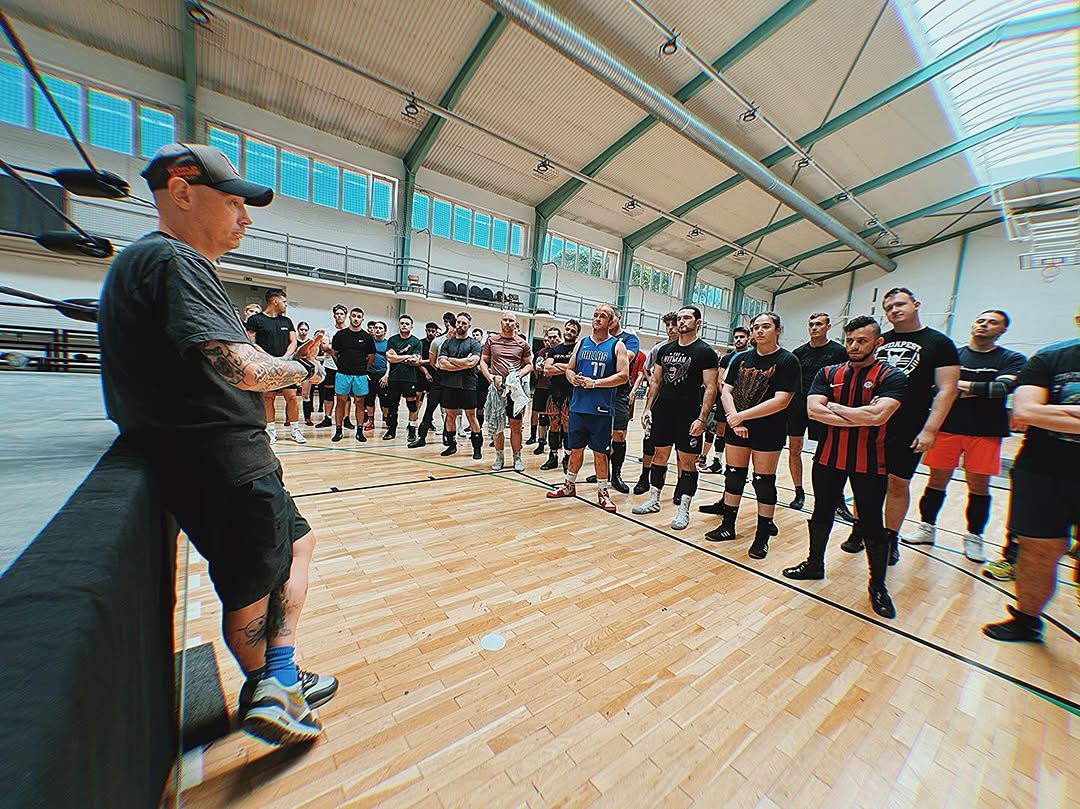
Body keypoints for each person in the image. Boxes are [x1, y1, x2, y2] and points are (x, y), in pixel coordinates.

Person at [98, 143, 336, 745]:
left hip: (215, 455)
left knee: (297, 545)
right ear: (181, 193)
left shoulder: (141, 262)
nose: (245, 218)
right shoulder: (178, 260)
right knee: (254, 582)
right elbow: (243, 369)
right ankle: (270, 688)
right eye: (233, 203)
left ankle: (280, 671)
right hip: (222, 457)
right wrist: (303, 370)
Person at [782, 315, 907, 619]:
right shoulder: (828, 372)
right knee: (821, 512)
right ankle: (815, 563)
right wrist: (857, 414)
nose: (853, 345)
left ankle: (877, 586)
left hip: (870, 461)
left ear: (878, 343)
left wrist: (835, 408)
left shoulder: (892, 376)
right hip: (828, 457)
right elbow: (814, 411)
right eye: (850, 340)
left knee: (872, 523)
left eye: (861, 341)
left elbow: (878, 417)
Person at [842, 288, 960, 565]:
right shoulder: (878, 341)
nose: (894, 310)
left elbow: (947, 389)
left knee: (897, 483)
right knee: (863, 482)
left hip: (909, 426)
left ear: (916, 304)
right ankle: (860, 529)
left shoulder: (939, 343)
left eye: (900, 304)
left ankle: (889, 537)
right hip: (871, 424)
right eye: (889, 307)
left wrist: (930, 429)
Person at [982, 331, 1080, 642]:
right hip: (1043, 470)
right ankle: (1027, 619)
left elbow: (1039, 412)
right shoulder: (1051, 358)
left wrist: (1053, 414)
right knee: (1037, 549)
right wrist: (1041, 414)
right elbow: (1025, 412)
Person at [907, 310, 1026, 562]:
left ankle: (974, 536)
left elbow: (1000, 388)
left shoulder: (1011, 358)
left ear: (1003, 330)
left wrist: (957, 386)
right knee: (936, 482)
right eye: (980, 320)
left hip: (985, 431)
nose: (984, 325)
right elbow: (935, 388)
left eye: (993, 322)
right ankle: (926, 527)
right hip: (947, 427)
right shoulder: (953, 355)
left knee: (979, 487)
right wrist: (971, 389)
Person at [704, 312, 799, 558]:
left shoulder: (788, 361)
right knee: (733, 476)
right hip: (738, 427)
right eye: (756, 327)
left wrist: (742, 417)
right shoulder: (741, 358)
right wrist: (735, 418)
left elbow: (781, 401)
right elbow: (726, 390)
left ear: (778, 330)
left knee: (763, 482)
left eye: (765, 327)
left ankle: (762, 537)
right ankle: (727, 526)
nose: (759, 331)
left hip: (768, 431)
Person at [633, 306, 718, 530]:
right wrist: (648, 409)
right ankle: (654, 500)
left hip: (688, 413)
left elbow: (710, 387)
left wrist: (702, 418)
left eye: (687, 318)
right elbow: (656, 381)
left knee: (688, 463)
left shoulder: (705, 352)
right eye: (679, 318)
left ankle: (684, 510)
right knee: (659, 456)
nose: (681, 322)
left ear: (698, 322)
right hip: (663, 411)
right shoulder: (665, 350)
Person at [547, 305, 630, 511]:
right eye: (595, 315)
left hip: (601, 408)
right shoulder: (582, 343)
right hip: (578, 406)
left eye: (603, 316)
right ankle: (569, 485)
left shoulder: (616, 345)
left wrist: (595, 383)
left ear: (611, 322)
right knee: (575, 449)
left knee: (600, 452)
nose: (597, 319)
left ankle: (602, 492)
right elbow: (569, 369)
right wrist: (572, 377)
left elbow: (623, 376)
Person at [787, 313, 849, 512]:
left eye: (819, 324)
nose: (814, 328)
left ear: (828, 326)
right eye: (811, 324)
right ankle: (798, 492)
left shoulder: (839, 352)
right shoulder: (798, 352)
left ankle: (836, 499)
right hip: (797, 406)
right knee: (794, 448)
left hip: (824, 408)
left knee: (829, 453)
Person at [245, 288, 304, 444]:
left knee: (291, 397)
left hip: (286, 365)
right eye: (284, 301)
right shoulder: (255, 320)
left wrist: (284, 358)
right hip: (266, 365)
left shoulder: (286, 321)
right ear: (275, 301)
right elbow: (252, 342)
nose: (285, 305)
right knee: (268, 398)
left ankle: (295, 430)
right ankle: (271, 431)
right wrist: (269, 359)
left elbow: (293, 342)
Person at [480, 312, 533, 472]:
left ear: (515, 324)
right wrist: (490, 377)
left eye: (511, 321)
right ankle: (499, 457)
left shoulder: (522, 343)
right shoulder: (491, 340)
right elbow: (483, 360)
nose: (508, 323)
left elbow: (530, 364)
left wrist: (519, 375)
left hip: (514, 390)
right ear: (501, 322)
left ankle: (517, 457)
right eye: (505, 320)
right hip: (496, 389)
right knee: (497, 426)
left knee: (516, 426)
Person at [633, 313, 679, 495]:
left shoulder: (691, 348)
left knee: (677, 447)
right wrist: (652, 381)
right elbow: (645, 367)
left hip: (680, 401)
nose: (670, 328)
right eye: (667, 324)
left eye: (673, 324)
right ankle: (644, 478)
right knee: (649, 441)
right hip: (658, 401)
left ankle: (680, 486)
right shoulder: (658, 348)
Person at [436, 312, 485, 459]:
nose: (460, 325)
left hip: (468, 385)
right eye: (458, 322)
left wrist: (452, 360)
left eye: (464, 323)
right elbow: (441, 364)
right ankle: (451, 446)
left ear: (469, 325)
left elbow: (472, 363)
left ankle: (477, 449)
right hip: (449, 385)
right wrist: (463, 363)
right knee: (450, 416)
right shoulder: (447, 343)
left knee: (471, 416)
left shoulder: (474, 344)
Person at [409, 312, 457, 448]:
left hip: (453, 381)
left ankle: (447, 436)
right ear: (448, 326)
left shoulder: (460, 342)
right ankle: (421, 437)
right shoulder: (438, 341)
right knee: (430, 408)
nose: (455, 329)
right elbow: (432, 361)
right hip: (439, 379)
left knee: (449, 411)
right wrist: (442, 370)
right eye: (452, 325)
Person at [540, 319, 580, 473]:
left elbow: (575, 370)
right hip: (554, 392)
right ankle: (553, 456)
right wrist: (567, 368)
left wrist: (559, 367)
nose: (569, 332)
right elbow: (547, 370)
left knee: (567, 426)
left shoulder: (578, 350)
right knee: (554, 425)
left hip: (570, 393)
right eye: (568, 329)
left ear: (577, 334)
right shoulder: (555, 349)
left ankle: (567, 458)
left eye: (573, 331)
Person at [330, 307, 375, 443]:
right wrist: (341, 366)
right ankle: (338, 430)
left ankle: (360, 431)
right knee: (341, 402)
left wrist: (363, 369)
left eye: (359, 316)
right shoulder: (341, 335)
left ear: (362, 319)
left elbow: (371, 357)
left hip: (360, 375)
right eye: (354, 316)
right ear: (350, 317)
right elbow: (334, 352)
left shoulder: (367, 337)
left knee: (360, 403)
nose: (356, 318)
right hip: (343, 374)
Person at [384, 315, 423, 441]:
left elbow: (416, 360)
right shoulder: (392, 340)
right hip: (394, 378)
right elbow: (390, 358)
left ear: (411, 326)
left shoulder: (416, 342)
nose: (404, 325)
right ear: (399, 325)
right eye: (402, 323)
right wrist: (407, 356)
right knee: (392, 406)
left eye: (407, 323)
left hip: (410, 378)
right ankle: (391, 430)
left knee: (412, 405)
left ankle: (412, 431)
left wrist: (398, 357)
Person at [313, 304, 348, 429]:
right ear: (334, 315)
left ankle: (346, 419)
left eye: (341, 314)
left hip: (346, 367)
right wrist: (338, 350)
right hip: (330, 366)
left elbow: (348, 349)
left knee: (345, 394)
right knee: (328, 393)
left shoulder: (349, 331)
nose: (339, 316)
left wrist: (333, 348)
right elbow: (324, 346)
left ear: (345, 316)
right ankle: (327, 418)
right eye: (337, 313)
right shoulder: (328, 331)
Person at [527, 327, 561, 454]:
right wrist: (552, 369)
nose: (551, 340)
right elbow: (538, 367)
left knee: (557, 418)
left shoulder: (563, 351)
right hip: (542, 387)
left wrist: (551, 369)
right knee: (542, 416)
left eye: (554, 337)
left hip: (558, 389)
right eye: (549, 338)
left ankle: (557, 444)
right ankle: (540, 442)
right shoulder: (541, 352)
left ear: (559, 337)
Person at [365, 320, 389, 433]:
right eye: (376, 328)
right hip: (370, 375)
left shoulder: (388, 344)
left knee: (385, 401)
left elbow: (390, 361)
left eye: (380, 328)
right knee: (369, 399)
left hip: (382, 375)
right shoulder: (369, 343)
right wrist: (365, 372)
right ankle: (370, 421)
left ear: (385, 331)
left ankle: (387, 419)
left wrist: (386, 375)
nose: (378, 330)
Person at [415, 321, 440, 416]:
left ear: (436, 332)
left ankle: (429, 420)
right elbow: (418, 361)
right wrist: (426, 373)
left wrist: (426, 362)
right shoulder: (420, 343)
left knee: (432, 398)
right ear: (426, 331)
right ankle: (414, 417)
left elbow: (436, 360)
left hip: (434, 372)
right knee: (418, 395)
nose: (431, 333)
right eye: (429, 331)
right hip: (421, 372)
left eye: (433, 331)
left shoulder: (438, 344)